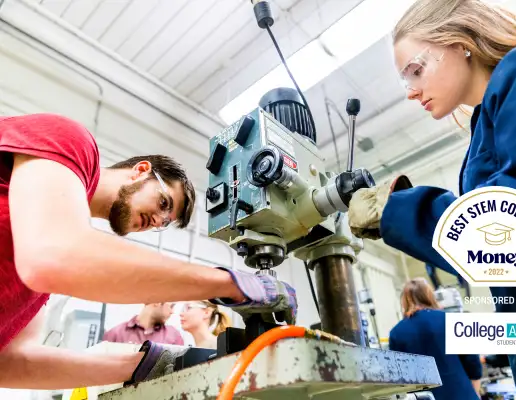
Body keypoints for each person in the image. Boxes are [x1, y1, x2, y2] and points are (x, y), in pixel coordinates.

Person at [348, 0, 516, 398]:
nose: (411, 91)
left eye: (416, 70)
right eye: (403, 80)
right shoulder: (487, 130)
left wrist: (396, 209)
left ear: (459, 41)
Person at [0, 113, 296, 390]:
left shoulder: (38, 278)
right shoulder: (71, 140)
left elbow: (13, 363)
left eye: (164, 223)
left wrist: (152, 363)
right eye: (164, 203)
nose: (157, 220)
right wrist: (232, 284)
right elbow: (53, 256)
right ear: (141, 171)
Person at [389, 278, 482, 400]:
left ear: (404, 301)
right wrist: (475, 393)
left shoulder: (397, 333)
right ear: (429, 296)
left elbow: (398, 380)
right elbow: (472, 363)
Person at [103, 303, 184, 345]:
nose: (172, 312)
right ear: (157, 301)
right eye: (171, 306)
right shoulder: (115, 333)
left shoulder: (174, 335)